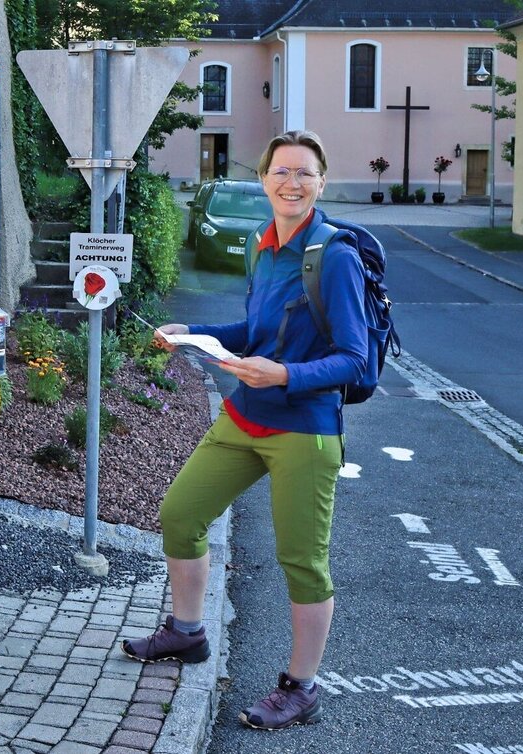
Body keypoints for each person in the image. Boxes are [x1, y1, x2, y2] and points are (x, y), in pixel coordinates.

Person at [119, 130, 368, 731]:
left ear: (322, 183)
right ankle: (186, 631)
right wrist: (193, 330)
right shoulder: (262, 244)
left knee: (302, 561)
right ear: (263, 180)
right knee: (180, 513)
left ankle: (302, 687)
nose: (292, 182)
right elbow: (253, 327)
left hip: (303, 431)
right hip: (244, 418)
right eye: (281, 171)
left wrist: (283, 374)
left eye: (305, 173)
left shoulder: (333, 257)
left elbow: (355, 359)